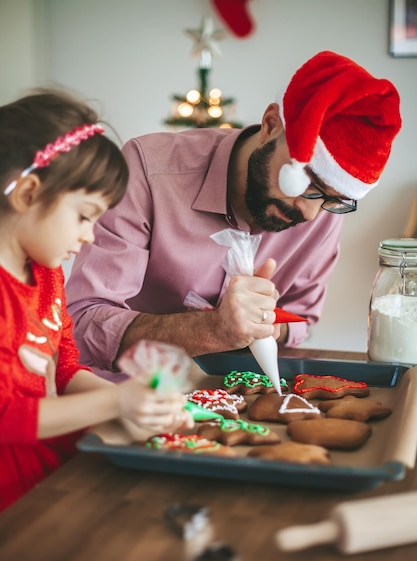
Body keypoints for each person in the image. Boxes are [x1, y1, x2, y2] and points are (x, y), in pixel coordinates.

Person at [66, 50, 402, 382]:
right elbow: (83, 322)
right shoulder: (149, 170)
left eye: (333, 198)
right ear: (271, 126)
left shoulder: (324, 209)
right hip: (131, 400)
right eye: (306, 184)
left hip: (252, 400)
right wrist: (213, 329)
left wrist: (265, 322)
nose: (310, 212)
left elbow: (301, 321)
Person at [0, 89, 192, 512]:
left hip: (53, 472)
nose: (89, 236)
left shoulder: (45, 271)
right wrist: (113, 400)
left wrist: (137, 403)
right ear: (28, 194)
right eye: (84, 216)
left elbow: (65, 366)